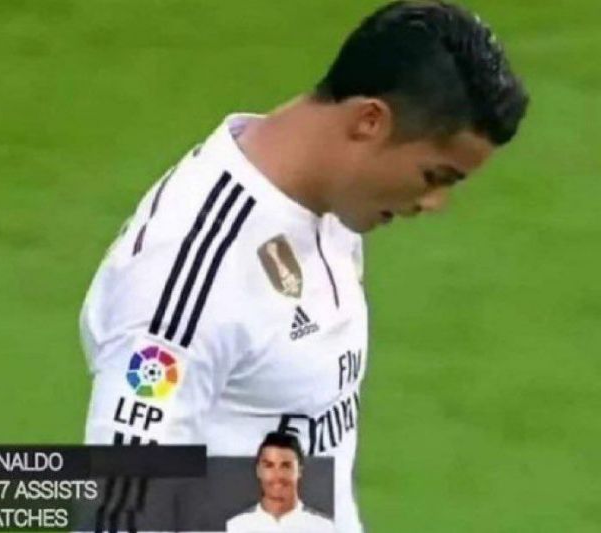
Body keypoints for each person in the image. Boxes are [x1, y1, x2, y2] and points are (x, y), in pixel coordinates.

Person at [80, 1, 528, 531]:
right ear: (369, 121)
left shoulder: (331, 205)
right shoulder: (191, 269)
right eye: (434, 176)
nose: (433, 204)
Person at [226, 432, 335, 533]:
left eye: (286, 466)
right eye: (269, 465)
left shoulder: (324, 528)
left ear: (299, 471)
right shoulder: (236, 527)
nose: (277, 475)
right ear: (258, 471)